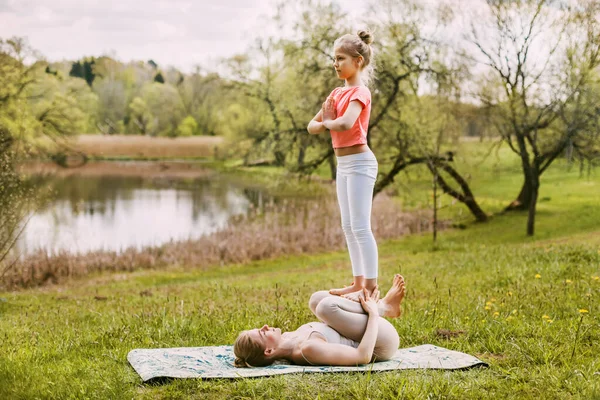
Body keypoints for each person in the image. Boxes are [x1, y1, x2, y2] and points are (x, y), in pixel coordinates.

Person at [306, 30, 378, 301]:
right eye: (334, 59)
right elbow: (311, 126)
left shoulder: (361, 92)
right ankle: (357, 282)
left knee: (361, 227)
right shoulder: (336, 93)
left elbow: (346, 123)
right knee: (348, 226)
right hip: (344, 165)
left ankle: (370, 288)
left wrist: (326, 122)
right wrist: (325, 121)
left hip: (360, 163)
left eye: (340, 58)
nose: (335, 64)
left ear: (357, 61)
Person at [233, 275, 405, 368]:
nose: (265, 326)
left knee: (316, 300)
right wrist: (374, 314)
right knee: (325, 307)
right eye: (262, 333)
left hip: (362, 330)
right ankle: (383, 307)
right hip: (381, 342)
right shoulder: (307, 350)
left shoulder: (287, 337)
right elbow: (363, 356)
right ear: (269, 351)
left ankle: (372, 299)